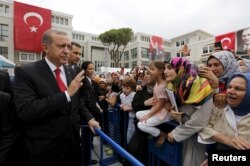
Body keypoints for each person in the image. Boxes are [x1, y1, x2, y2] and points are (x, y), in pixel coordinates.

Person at [13, 29, 99, 166]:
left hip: (72, 147)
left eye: (69, 47)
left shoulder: (72, 71)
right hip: (44, 151)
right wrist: (66, 94)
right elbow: (26, 110)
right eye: (61, 46)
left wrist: (89, 118)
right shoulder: (26, 72)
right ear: (45, 47)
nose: (67, 51)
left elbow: (77, 102)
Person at [164, 57, 213, 166]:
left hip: (197, 139)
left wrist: (176, 133)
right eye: (164, 68)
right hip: (185, 135)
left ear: (181, 68)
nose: (165, 71)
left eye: (169, 68)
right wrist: (173, 113)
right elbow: (180, 110)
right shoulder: (175, 85)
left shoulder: (201, 85)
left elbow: (200, 120)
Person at [199, 73, 250, 150]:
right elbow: (202, 127)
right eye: (229, 87)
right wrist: (228, 140)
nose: (231, 91)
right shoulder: (219, 106)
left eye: (238, 89)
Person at [136, 61, 171, 146]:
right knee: (138, 114)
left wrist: (148, 116)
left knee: (140, 125)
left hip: (164, 113)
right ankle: (153, 129)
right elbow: (156, 99)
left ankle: (162, 135)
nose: (150, 71)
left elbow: (160, 105)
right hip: (157, 110)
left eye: (152, 69)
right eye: (150, 69)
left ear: (161, 71)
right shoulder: (157, 83)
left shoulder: (163, 85)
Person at [80, 61, 102, 165]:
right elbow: (86, 101)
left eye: (93, 68)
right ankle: (86, 160)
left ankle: (87, 158)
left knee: (90, 139)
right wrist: (98, 110)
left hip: (92, 113)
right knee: (86, 139)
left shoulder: (91, 82)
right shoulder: (83, 82)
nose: (92, 70)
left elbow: (93, 99)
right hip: (88, 115)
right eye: (90, 69)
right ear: (84, 70)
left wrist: (98, 105)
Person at [120, 78, 136, 143]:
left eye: (127, 88)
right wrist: (122, 106)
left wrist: (128, 108)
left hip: (132, 119)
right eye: (123, 87)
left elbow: (136, 106)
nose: (124, 90)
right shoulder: (121, 95)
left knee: (130, 136)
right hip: (124, 117)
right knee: (123, 133)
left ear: (132, 88)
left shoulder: (134, 95)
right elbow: (122, 105)